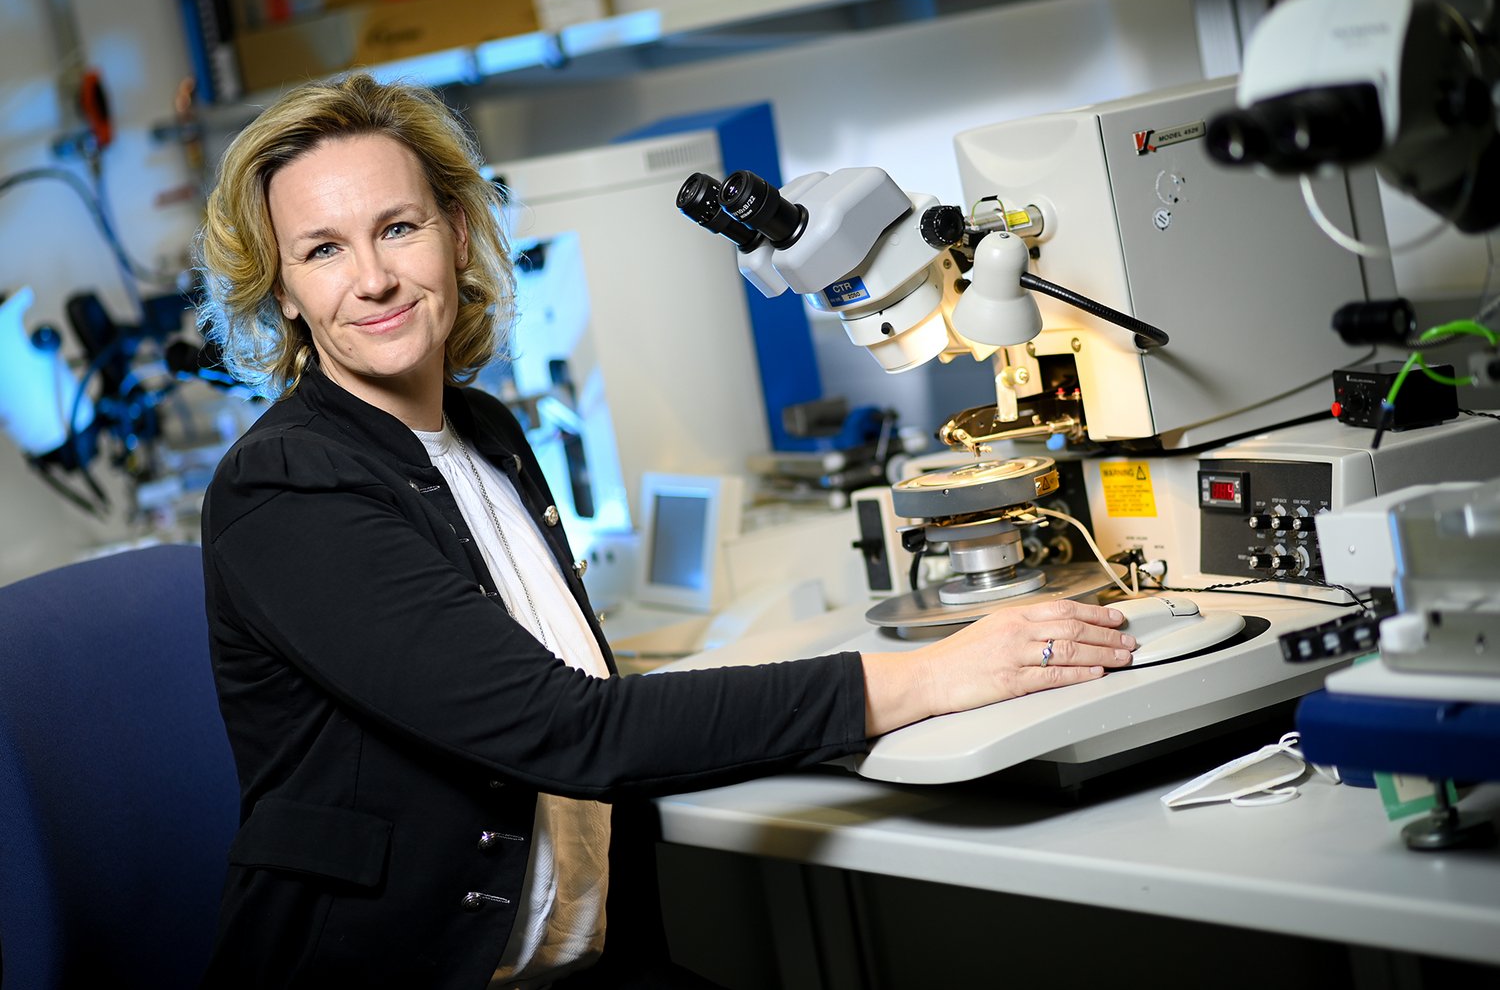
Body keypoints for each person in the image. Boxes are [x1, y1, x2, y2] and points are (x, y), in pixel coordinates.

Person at [193, 72, 1135, 989]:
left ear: (459, 233)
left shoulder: (485, 435)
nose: (373, 279)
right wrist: (925, 678)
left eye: (399, 228)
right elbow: (565, 728)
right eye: (322, 251)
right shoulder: (285, 487)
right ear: (281, 290)